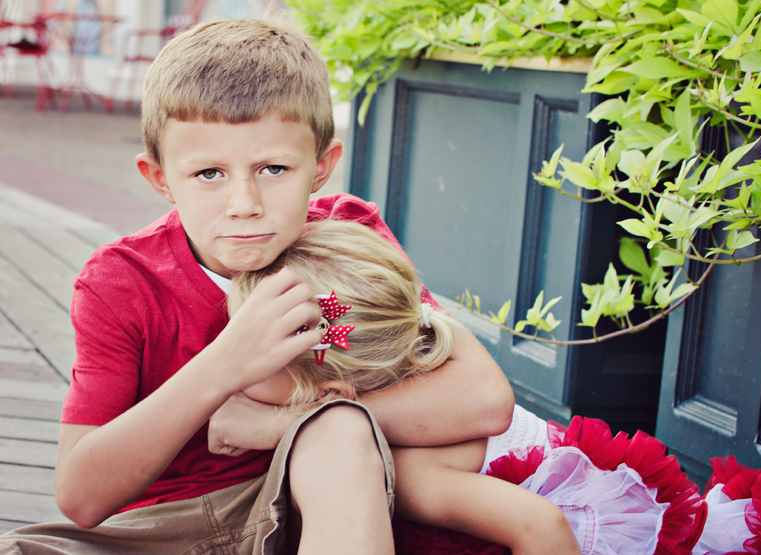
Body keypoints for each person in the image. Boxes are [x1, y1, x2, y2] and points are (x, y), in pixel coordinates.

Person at [0, 17, 514, 555]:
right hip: (163, 529)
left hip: (313, 504)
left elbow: (482, 399)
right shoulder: (121, 281)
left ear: (321, 167)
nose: (244, 203)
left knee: (337, 431)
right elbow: (81, 496)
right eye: (209, 174)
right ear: (160, 178)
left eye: (272, 169)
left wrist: (282, 423)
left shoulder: (347, 234)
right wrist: (226, 363)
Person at [222, 222, 761, 555]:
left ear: (330, 381)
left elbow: (540, 528)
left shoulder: (416, 467)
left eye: (258, 351)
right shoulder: (428, 344)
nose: (239, 366)